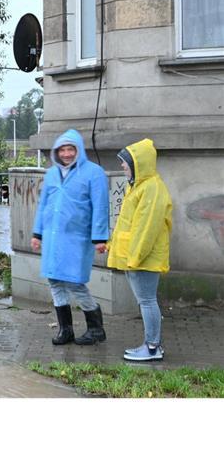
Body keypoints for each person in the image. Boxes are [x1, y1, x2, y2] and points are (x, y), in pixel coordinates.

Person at [31, 129, 110, 345]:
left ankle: (96, 329)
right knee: (54, 280)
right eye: (62, 150)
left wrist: (100, 238)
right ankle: (65, 330)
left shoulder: (94, 173)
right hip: (52, 237)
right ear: (57, 152)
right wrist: (37, 233)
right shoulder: (51, 174)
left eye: (70, 149)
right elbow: (44, 205)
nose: (66, 154)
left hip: (77, 238)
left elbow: (100, 207)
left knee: (75, 282)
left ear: (79, 150)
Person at [108, 138, 173, 362]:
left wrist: (134, 258)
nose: (122, 166)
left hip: (142, 259)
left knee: (147, 301)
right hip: (136, 258)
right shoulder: (141, 186)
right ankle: (151, 345)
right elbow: (129, 224)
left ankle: (152, 348)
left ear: (138, 163)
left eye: (125, 162)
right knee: (146, 300)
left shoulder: (152, 188)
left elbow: (147, 228)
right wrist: (114, 247)